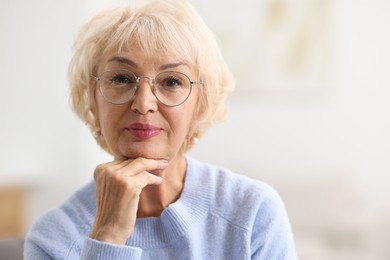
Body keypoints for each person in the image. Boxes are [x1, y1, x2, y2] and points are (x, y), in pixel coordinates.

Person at [24, 0, 298, 259]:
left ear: (201, 104)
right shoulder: (52, 238)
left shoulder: (253, 212)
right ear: (92, 101)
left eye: (171, 82)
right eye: (121, 78)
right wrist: (107, 238)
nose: (144, 104)